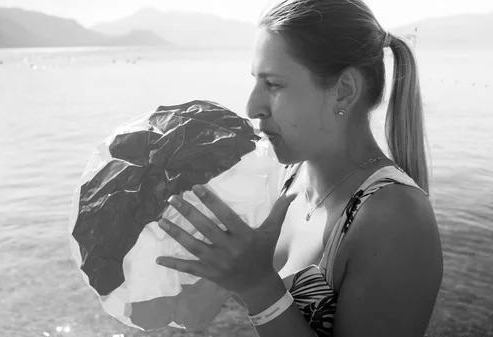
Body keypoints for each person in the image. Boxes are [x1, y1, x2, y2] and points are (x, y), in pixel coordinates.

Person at [154, 0, 443, 336]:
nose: (251, 106)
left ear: (343, 92)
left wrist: (258, 287)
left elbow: (261, 290)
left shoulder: (395, 218)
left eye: (273, 84)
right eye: (255, 81)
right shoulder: (287, 178)